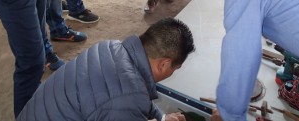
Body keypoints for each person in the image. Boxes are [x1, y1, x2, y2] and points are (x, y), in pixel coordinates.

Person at [17, 17, 195, 121]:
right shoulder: (128, 97)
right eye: (175, 68)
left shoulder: (110, 47)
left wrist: (162, 118)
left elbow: (130, 96)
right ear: (164, 63)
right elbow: (127, 98)